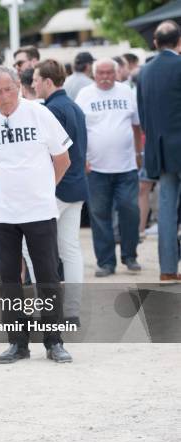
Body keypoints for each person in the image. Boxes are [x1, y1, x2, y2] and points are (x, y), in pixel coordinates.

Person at [0, 65, 73, 364]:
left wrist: (43, 187)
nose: (5, 96)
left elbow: (63, 159)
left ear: (19, 87)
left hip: (39, 210)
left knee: (48, 277)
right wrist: (3, 191)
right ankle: (18, 343)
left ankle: (55, 342)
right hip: (2, 213)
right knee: (9, 278)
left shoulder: (40, 114)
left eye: (9, 89)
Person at [30, 59, 88, 321]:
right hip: (75, 186)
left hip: (56, 187)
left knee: (33, 248)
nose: (32, 85)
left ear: (47, 82)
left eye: (35, 80)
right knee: (70, 249)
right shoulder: (74, 107)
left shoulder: (51, 110)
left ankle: (46, 308)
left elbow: (49, 154)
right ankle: (73, 311)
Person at [76, 58, 142, 277]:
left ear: (117, 73)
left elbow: (136, 126)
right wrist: (82, 157)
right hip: (95, 168)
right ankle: (106, 262)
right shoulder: (85, 95)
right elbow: (79, 131)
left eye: (109, 73)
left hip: (126, 166)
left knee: (130, 210)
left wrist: (139, 153)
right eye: (100, 73)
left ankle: (130, 255)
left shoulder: (127, 92)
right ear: (93, 75)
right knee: (99, 215)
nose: (105, 77)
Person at [137, 20, 181, 281]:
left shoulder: (144, 71)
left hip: (160, 151)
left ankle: (167, 269)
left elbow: (143, 116)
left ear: (155, 42)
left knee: (165, 211)